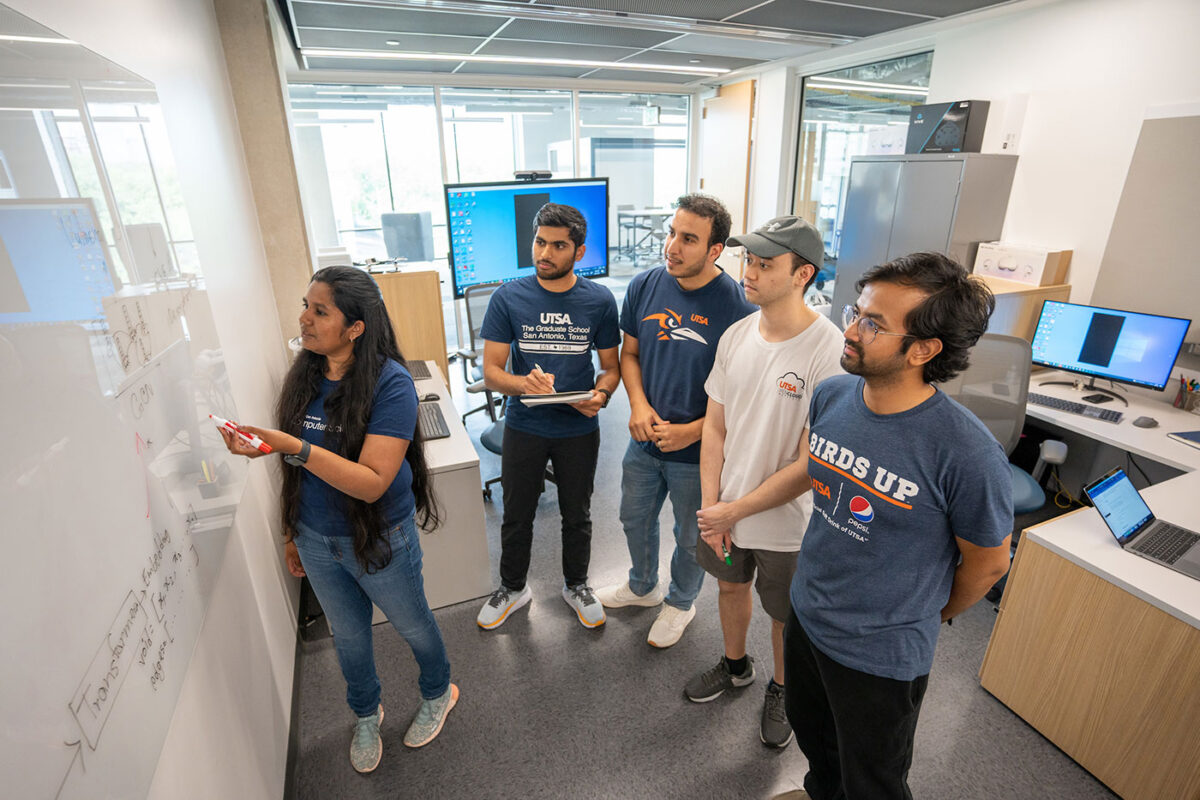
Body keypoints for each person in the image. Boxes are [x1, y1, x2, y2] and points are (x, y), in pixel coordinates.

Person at [779, 252, 1013, 800]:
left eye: (874, 324)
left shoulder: (966, 453)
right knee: (818, 748)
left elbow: (989, 563)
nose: (852, 330)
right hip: (808, 617)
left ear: (924, 349)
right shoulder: (833, 395)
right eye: (856, 312)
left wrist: (921, 614)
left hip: (880, 656)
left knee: (873, 783)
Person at [218, 265, 456, 774]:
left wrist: (291, 445)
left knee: (413, 625)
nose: (304, 318)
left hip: (378, 538)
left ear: (356, 327)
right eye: (305, 305)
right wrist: (291, 535)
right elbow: (294, 473)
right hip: (315, 538)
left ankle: (439, 692)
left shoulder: (391, 384)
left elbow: (372, 480)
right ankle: (366, 714)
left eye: (319, 310)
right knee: (348, 637)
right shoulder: (305, 375)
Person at [687, 216, 844, 749]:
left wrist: (735, 511)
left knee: (784, 615)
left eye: (764, 264)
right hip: (726, 507)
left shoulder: (829, 351)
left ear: (802, 274)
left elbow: (812, 462)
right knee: (730, 587)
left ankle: (782, 687)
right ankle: (735, 668)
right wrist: (714, 506)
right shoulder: (736, 335)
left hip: (786, 523)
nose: (748, 273)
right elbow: (715, 425)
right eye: (748, 260)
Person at [595, 193, 755, 648]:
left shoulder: (737, 308)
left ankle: (681, 602)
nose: (672, 246)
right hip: (644, 443)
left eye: (688, 239)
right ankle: (642, 586)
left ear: (714, 250)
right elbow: (630, 355)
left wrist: (692, 429)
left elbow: (743, 398)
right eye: (671, 232)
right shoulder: (645, 285)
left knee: (689, 538)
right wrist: (639, 406)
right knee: (633, 518)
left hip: (697, 451)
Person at [474, 202, 621, 630]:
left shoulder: (598, 300)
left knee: (578, 513)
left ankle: (576, 584)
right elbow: (492, 372)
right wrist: (524, 385)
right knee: (517, 512)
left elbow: (611, 368)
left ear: (579, 252)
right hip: (525, 424)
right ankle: (513, 588)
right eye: (541, 242)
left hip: (578, 427)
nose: (546, 252)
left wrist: (601, 394)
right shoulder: (509, 297)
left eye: (559, 245)